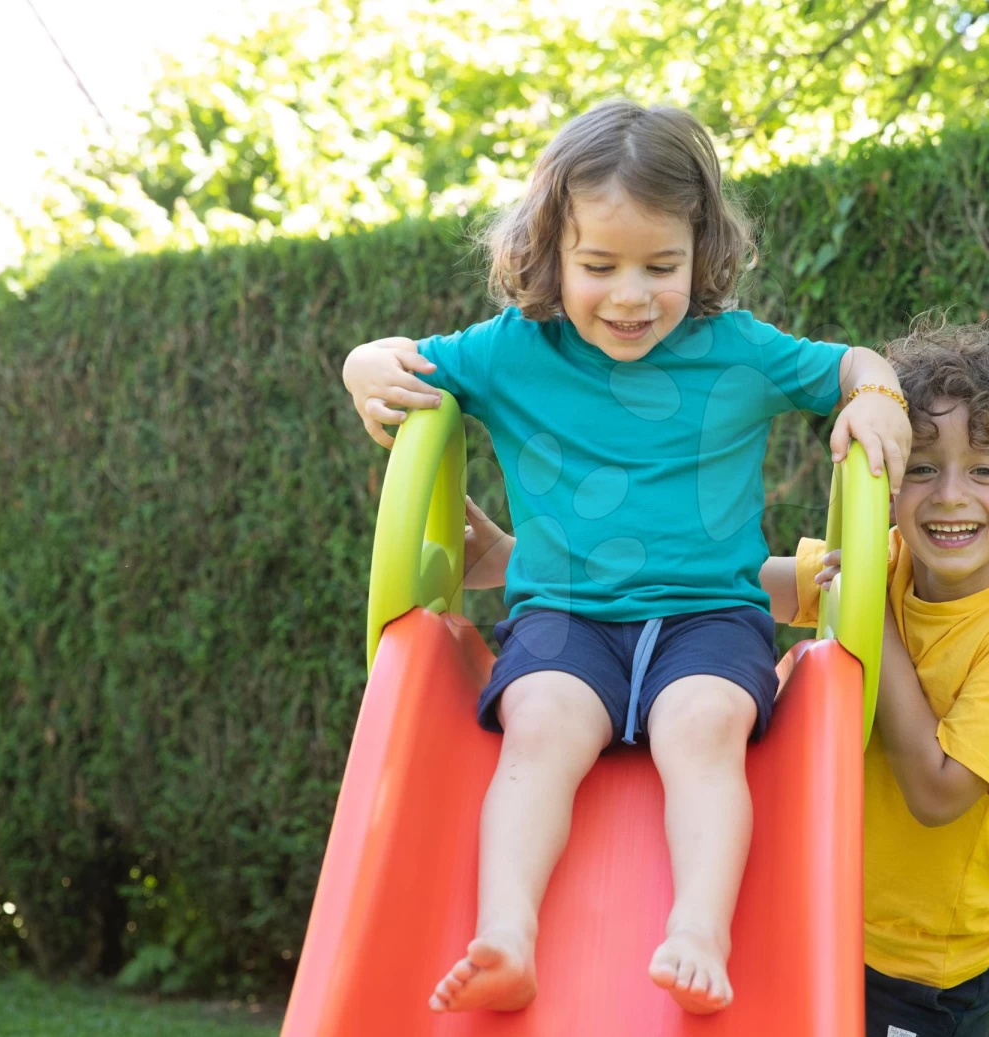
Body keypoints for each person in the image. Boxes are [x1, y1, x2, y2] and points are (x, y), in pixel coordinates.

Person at [341, 99, 912, 1016]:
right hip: (565, 618)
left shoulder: (736, 350)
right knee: (540, 730)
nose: (632, 295)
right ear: (549, 253)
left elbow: (849, 363)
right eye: (598, 265)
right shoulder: (513, 352)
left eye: (663, 265)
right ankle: (510, 932)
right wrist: (361, 363)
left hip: (709, 620)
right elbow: (399, 364)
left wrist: (879, 392)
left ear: (704, 250)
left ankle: (698, 927)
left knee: (705, 730)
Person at [767, 314, 989, 1037]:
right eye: (922, 466)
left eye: (985, 470)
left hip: (924, 972)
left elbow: (938, 791)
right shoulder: (883, 562)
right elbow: (727, 586)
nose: (948, 495)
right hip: (828, 917)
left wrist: (871, 614)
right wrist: (515, 560)